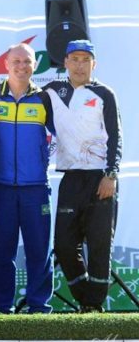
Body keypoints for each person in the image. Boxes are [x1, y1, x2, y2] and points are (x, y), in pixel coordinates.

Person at [46, 39, 123, 313]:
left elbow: (116, 136)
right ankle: (85, 299)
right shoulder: (51, 90)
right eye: (75, 59)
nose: (80, 65)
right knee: (64, 245)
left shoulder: (105, 93)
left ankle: (94, 307)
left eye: (85, 60)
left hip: (101, 178)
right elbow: (22, 94)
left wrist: (111, 175)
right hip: (71, 178)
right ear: (65, 62)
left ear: (94, 64)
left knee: (99, 245)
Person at [0, 43, 54, 314]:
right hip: (0, 186)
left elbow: (67, 134)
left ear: (35, 65)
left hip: (35, 188)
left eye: (27, 61)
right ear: (6, 64)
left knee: (39, 251)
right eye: (16, 61)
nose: (22, 66)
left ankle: (39, 308)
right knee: (1, 251)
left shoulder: (45, 98)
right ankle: (0, 308)